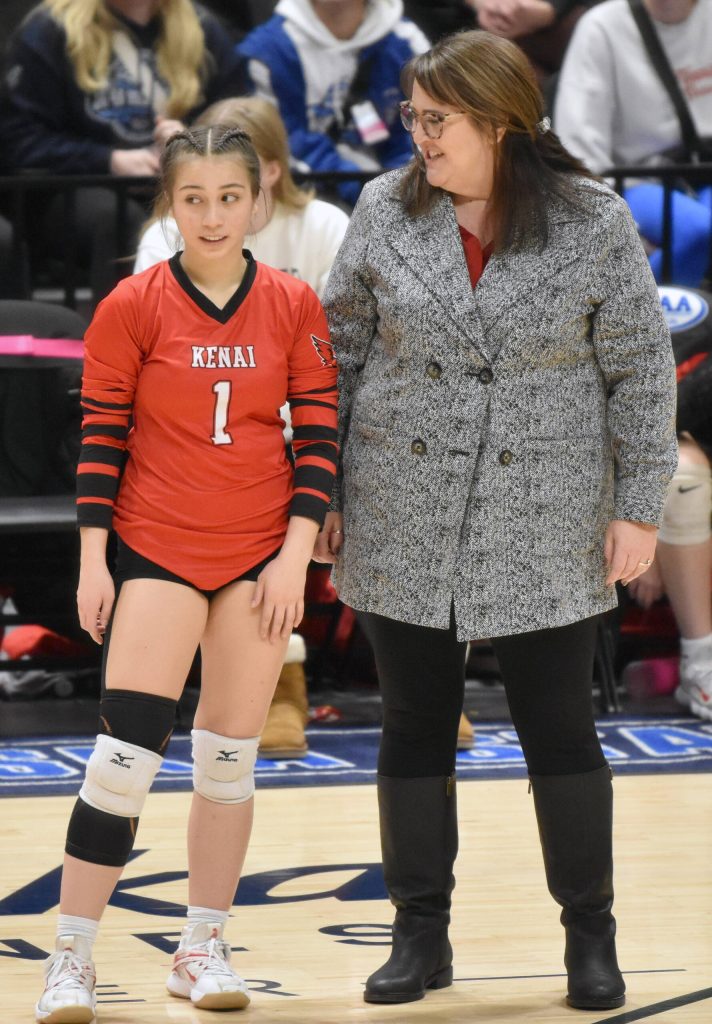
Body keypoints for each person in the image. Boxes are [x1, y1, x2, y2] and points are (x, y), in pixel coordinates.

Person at [317, 29, 677, 1011]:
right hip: (400, 500)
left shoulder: (591, 221)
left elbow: (641, 376)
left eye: (434, 120)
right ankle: (417, 934)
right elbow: (332, 361)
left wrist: (637, 507)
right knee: (412, 722)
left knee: (559, 727)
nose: (415, 136)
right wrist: (325, 495)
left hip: (547, 506)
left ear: (496, 122)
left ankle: (588, 940)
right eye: (413, 117)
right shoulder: (385, 208)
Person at [34, 123, 338, 1023]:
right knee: (125, 759)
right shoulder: (132, 304)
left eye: (229, 198)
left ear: (259, 199)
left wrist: (292, 561)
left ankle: (201, 944)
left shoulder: (290, 302)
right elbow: (99, 441)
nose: (211, 216)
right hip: (159, 548)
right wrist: (94, 561)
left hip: (257, 559)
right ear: (170, 202)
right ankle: (72, 956)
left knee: (229, 765)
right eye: (193, 198)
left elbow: (319, 442)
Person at [135, 94, 348, 757]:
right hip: (206, 439)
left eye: (237, 181)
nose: (213, 206)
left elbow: (341, 357)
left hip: (307, 420)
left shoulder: (326, 227)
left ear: (273, 174)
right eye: (195, 191)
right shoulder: (165, 236)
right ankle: (280, 676)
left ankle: (421, 679)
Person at [0, 0, 249, 301]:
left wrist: (192, 143)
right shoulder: (50, 30)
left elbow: (241, 118)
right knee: (120, 219)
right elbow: (18, 140)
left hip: (180, 183)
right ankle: (120, 338)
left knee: (228, 205)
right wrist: (109, 160)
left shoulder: (204, 27)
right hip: (77, 188)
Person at [554, 0, 712, 286]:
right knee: (696, 228)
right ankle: (643, 325)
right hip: (633, 181)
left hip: (703, 172)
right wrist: (619, 226)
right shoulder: (601, 27)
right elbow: (578, 150)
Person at [238, 0, 429, 206]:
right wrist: (365, 191)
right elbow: (281, 141)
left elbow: (421, 130)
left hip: (397, 190)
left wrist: (398, 187)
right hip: (309, 196)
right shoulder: (268, 52)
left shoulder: (407, 42)